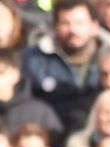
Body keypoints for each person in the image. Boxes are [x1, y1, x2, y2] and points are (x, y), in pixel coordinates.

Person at [21, 0, 104, 133]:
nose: (73, 30)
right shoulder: (33, 59)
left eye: (79, 23)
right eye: (65, 23)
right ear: (55, 26)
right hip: (48, 132)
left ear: (94, 26)